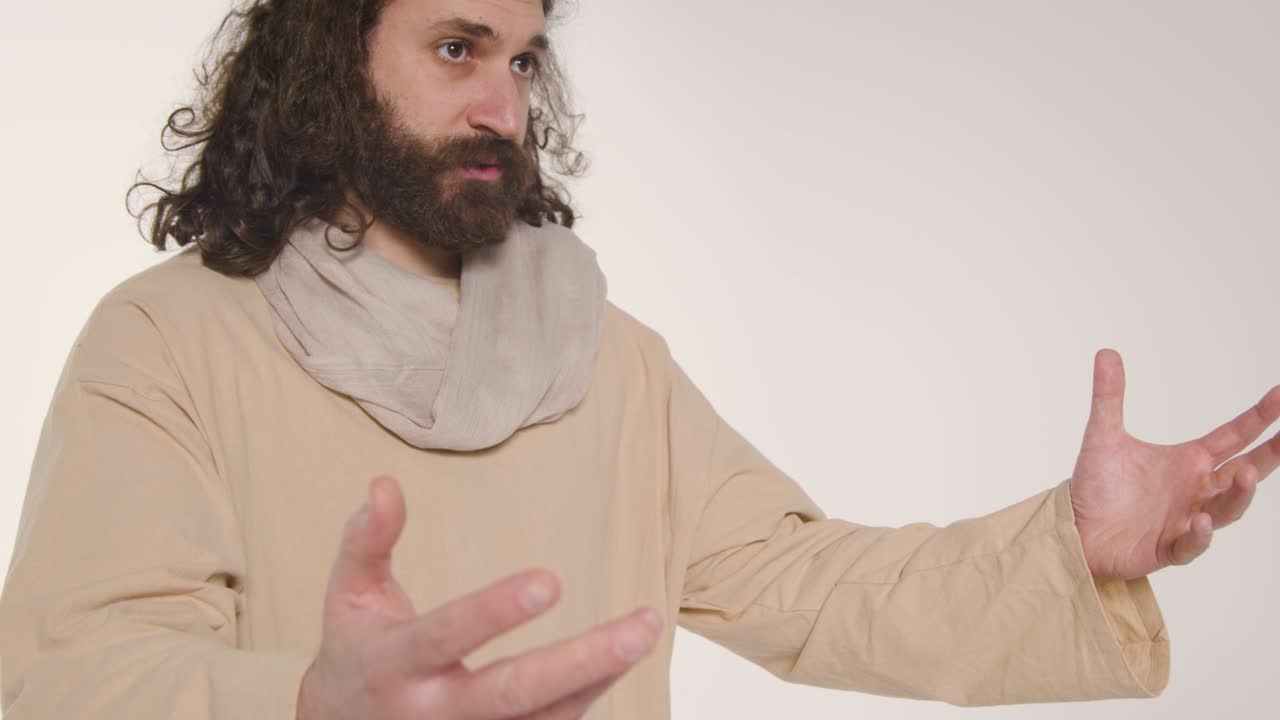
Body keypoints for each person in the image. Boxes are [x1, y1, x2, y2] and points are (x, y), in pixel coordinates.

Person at [1, 0, 1275, 718]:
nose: (502, 105)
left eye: (522, 60)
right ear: (329, 65)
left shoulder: (605, 357)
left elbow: (807, 584)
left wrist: (1069, 547)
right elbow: (66, 675)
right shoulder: (169, 339)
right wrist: (307, 703)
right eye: (456, 48)